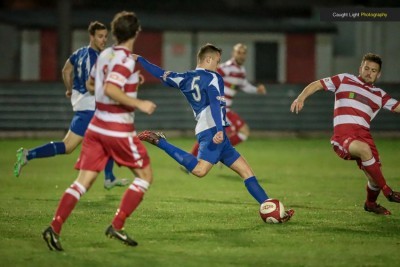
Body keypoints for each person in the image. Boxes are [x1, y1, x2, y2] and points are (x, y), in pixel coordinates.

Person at [134, 43, 294, 221]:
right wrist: (219, 129)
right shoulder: (213, 77)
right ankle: (161, 141)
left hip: (214, 132)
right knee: (200, 171)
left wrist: (140, 60)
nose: (218, 65)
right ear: (208, 59)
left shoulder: (184, 77)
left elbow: (160, 73)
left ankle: (271, 207)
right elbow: (215, 103)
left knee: (247, 173)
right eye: (217, 61)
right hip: (212, 130)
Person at [42, 11, 157, 251]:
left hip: (96, 126)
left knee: (82, 182)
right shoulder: (126, 59)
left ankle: (54, 228)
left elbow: (91, 84)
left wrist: (128, 84)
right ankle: (116, 224)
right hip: (117, 129)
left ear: (114, 33)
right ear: (136, 32)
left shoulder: (105, 54)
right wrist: (139, 103)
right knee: (145, 176)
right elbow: (113, 88)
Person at [13, 21, 129, 190]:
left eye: (105, 36)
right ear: (92, 36)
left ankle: (28, 155)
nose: (104, 40)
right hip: (91, 107)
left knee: (69, 146)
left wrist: (69, 90)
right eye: (100, 36)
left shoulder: (79, 53)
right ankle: (108, 177)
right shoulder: (95, 58)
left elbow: (66, 70)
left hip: (83, 107)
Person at [290, 52, 400, 215]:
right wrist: (301, 97)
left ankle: (370, 204)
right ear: (360, 68)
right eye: (366, 68)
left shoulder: (380, 95)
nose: (369, 72)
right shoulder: (344, 79)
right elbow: (317, 84)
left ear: (379, 74)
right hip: (343, 137)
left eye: (373, 70)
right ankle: (388, 192)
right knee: (364, 151)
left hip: (365, 137)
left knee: (374, 179)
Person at [189, 43, 266, 157]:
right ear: (233, 54)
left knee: (214, 134)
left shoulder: (241, 71)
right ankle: (213, 154)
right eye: (238, 52)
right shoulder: (228, 68)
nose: (241, 55)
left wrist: (256, 90)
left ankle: (194, 158)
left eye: (243, 53)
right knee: (241, 131)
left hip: (225, 109)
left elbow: (245, 86)